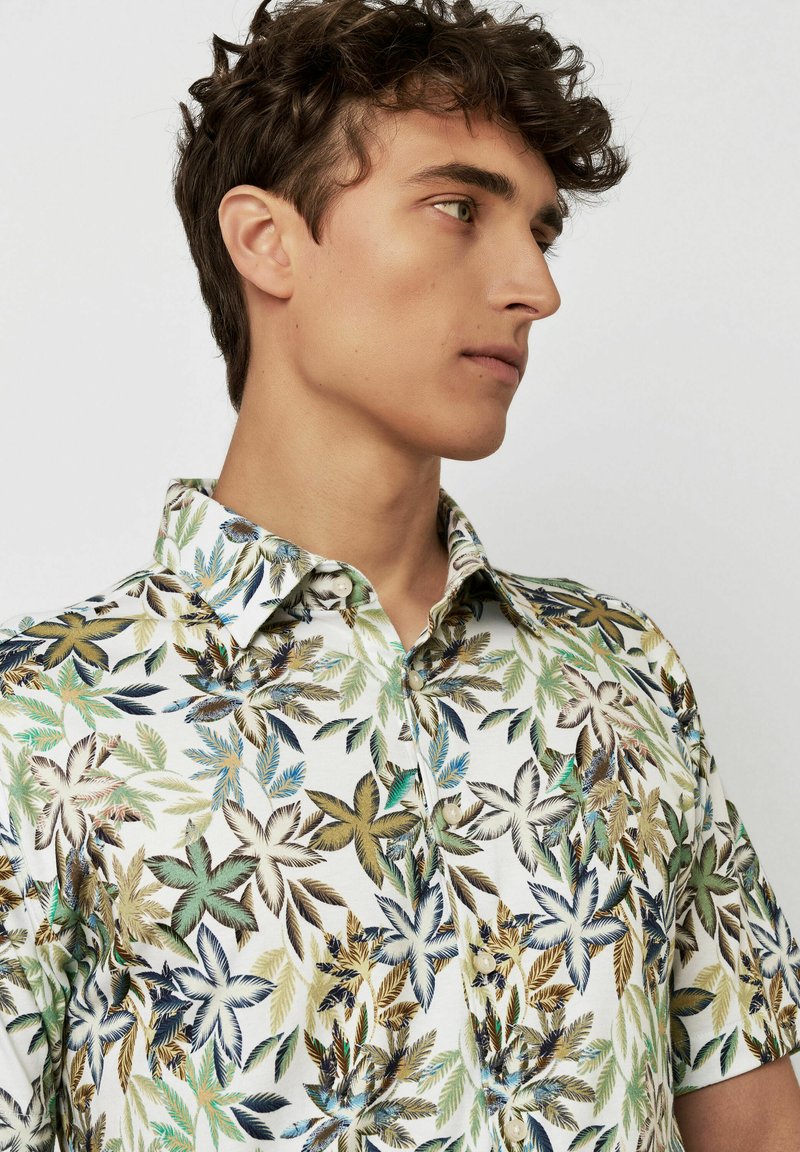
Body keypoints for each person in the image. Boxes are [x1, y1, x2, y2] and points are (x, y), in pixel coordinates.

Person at [1, 0, 798, 1147]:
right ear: (267, 242)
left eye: (540, 230)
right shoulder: (41, 727)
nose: (535, 286)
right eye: (458, 208)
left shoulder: (618, 675)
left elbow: (756, 1128)